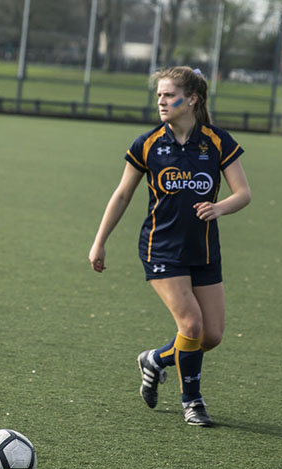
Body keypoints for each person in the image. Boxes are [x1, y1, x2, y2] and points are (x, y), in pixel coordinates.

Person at [88, 66, 251, 427]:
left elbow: (244, 193)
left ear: (191, 99)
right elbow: (122, 194)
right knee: (191, 326)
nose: (161, 101)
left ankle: (156, 360)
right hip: (161, 249)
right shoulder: (147, 144)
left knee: (211, 335)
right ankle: (192, 402)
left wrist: (218, 207)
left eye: (168, 95)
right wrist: (99, 242)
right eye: (159, 95)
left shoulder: (217, 141)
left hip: (205, 250)